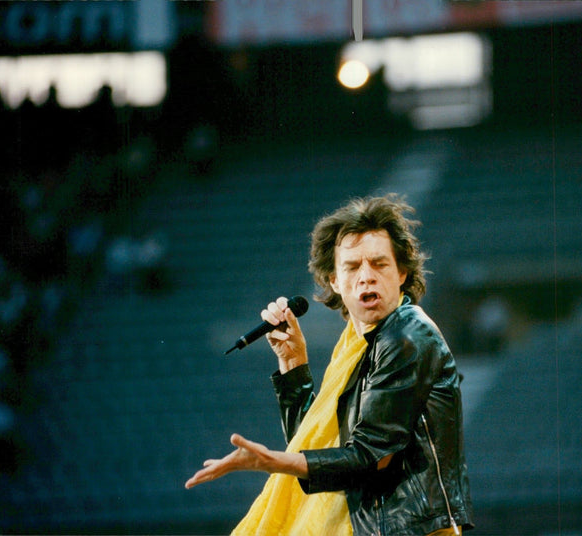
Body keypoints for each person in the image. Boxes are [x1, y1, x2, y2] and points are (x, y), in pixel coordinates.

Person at [186, 194, 473, 535]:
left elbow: (368, 459)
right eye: (352, 267)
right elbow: (321, 453)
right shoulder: (356, 343)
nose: (366, 276)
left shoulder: (407, 336)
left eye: (379, 264)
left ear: (401, 273)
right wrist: (293, 365)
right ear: (334, 281)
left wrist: (270, 461)